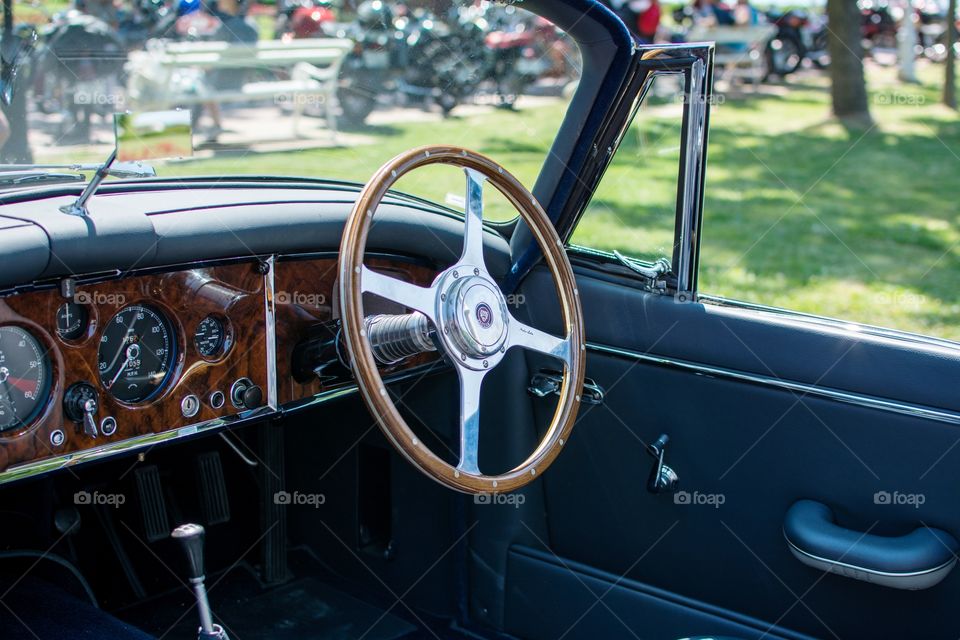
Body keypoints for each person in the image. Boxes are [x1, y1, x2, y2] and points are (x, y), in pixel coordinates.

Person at [202, 0, 258, 140]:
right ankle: (215, 125)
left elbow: (212, 57)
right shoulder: (251, 26)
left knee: (197, 84)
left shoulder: (227, 26)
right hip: (243, 78)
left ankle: (214, 125)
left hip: (221, 82)